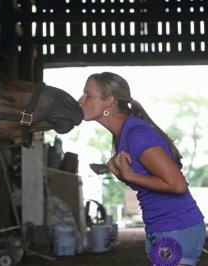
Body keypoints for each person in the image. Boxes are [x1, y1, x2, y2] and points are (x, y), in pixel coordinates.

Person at [78, 72, 206, 265]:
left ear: (109, 101)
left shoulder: (136, 134)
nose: (81, 100)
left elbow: (177, 184)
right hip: (162, 227)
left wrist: (130, 175)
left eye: (88, 95)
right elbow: (150, 182)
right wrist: (125, 176)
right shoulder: (124, 134)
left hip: (176, 227)